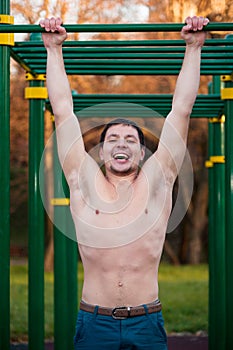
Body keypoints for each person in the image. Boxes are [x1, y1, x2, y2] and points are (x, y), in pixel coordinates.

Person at [39, 16, 209, 350]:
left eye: (131, 139)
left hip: (147, 321)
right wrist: (53, 48)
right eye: (113, 139)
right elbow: (63, 111)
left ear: (143, 153)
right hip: (94, 321)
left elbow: (181, 111)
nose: (121, 143)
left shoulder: (158, 183)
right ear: (100, 152)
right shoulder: (82, 183)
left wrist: (193, 47)